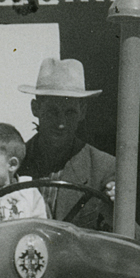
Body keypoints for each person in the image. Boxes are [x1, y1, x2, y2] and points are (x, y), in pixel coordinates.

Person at [17, 58, 117, 231]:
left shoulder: (104, 168)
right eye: (52, 112)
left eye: (70, 112)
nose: (61, 123)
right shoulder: (12, 161)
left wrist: (116, 207)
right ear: (35, 108)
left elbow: (132, 236)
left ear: (82, 112)